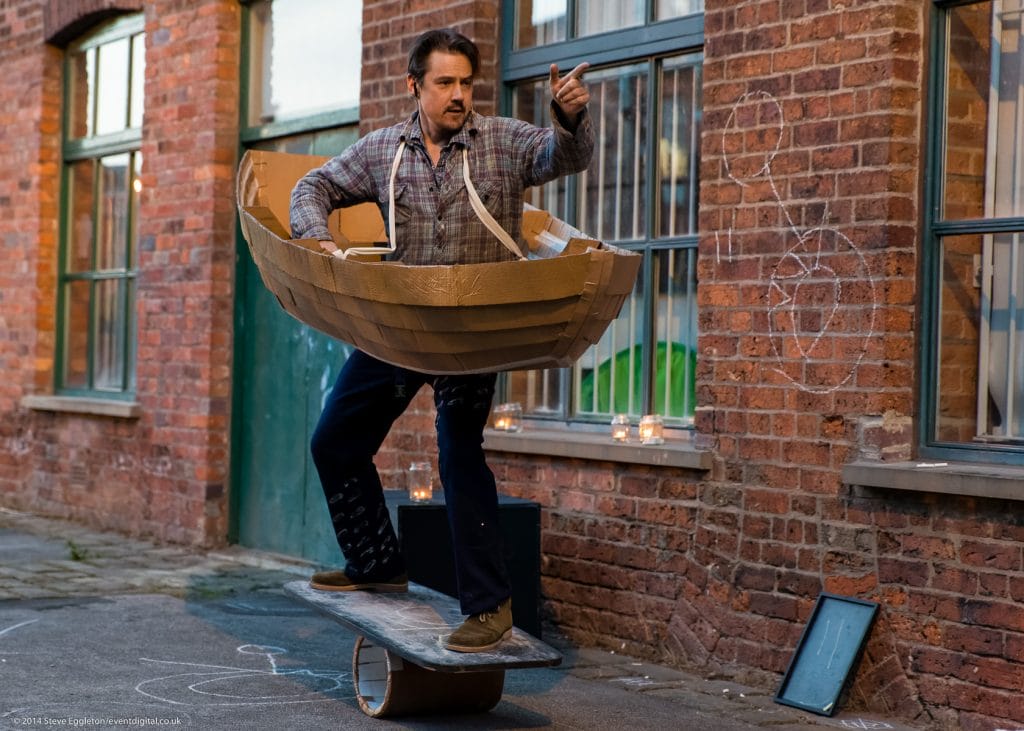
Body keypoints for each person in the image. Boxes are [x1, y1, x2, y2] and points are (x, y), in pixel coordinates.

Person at [289, 28, 593, 653]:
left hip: (470, 335)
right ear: (414, 86)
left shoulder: (504, 142)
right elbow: (310, 187)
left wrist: (569, 119)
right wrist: (316, 237)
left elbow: (562, 158)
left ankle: (489, 608)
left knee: (458, 456)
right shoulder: (380, 152)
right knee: (334, 441)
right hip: (398, 327)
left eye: (465, 83)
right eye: (444, 83)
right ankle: (375, 562)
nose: (458, 95)